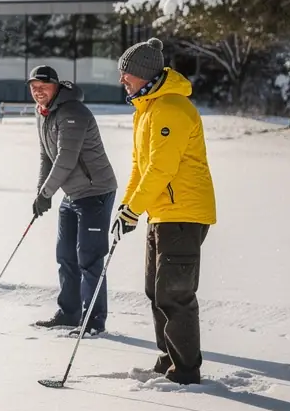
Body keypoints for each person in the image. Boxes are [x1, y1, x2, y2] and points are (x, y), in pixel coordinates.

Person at [112, 37, 216, 385]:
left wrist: (135, 209)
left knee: (175, 293)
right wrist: (127, 208)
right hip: (161, 212)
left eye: (126, 74)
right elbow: (139, 168)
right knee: (156, 291)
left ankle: (185, 371)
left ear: (145, 73)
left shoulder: (170, 107)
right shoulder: (145, 111)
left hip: (183, 213)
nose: (122, 80)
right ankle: (169, 358)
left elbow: (162, 168)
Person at [27, 65, 118, 335]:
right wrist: (41, 192)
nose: (38, 91)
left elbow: (66, 159)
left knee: (89, 258)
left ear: (57, 86)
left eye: (44, 86)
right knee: (65, 255)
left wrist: (47, 193)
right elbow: (46, 156)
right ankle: (69, 313)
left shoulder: (72, 113)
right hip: (71, 193)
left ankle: (93, 321)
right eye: (33, 87)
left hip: (94, 191)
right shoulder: (43, 112)